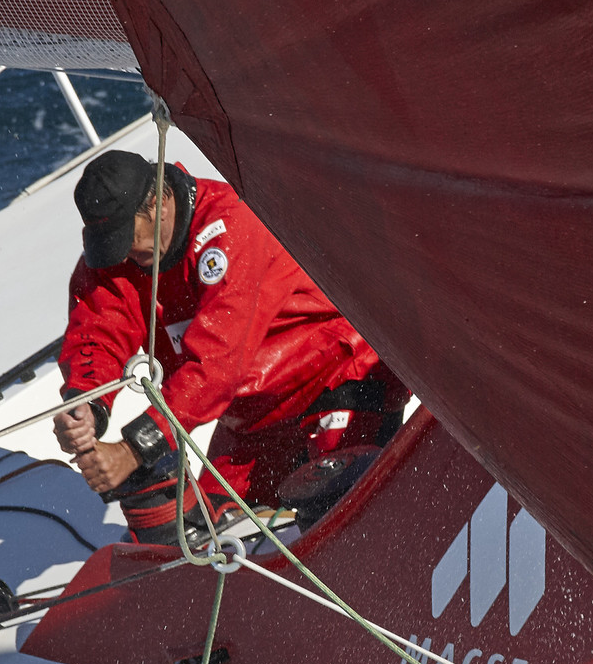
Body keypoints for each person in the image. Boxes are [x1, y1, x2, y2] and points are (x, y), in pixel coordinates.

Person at [54, 148, 404, 540]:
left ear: (159, 204)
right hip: (252, 419)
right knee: (199, 531)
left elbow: (217, 364)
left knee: (342, 513)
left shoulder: (231, 226)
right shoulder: (123, 251)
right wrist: (87, 402)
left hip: (336, 381)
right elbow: (98, 325)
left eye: (130, 242)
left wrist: (135, 449)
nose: (129, 258)